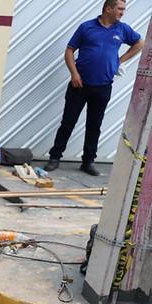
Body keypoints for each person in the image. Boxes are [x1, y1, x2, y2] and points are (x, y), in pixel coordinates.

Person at [44, 0, 144, 176]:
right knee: (68, 122)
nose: (122, 13)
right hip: (79, 85)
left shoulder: (123, 29)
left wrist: (119, 61)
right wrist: (74, 74)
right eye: (120, 9)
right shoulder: (86, 27)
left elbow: (140, 43)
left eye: (124, 9)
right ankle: (55, 157)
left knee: (94, 125)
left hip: (103, 86)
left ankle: (88, 162)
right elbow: (69, 51)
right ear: (108, 8)